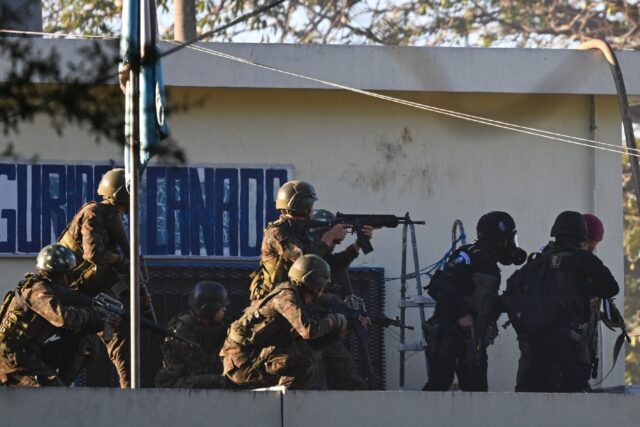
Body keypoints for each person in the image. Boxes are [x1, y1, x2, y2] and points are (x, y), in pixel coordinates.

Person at [512, 211, 619, 392]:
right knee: (571, 405)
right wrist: (586, 290)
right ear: (582, 235)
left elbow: (512, 292)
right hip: (569, 349)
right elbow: (611, 288)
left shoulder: (537, 261)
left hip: (535, 348)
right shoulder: (583, 259)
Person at [423, 211, 526, 392]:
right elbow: (441, 287)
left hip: (473, 340)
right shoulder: (469, 255)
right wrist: (462, 314)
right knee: (438, 386)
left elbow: (484, 303)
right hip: (448, 334)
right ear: (499, 239)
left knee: (477, 393)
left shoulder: (490, 266)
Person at [57, 168, 138, 388]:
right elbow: (93, 255)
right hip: (74, 290)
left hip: (88, 290)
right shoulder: (94, 213)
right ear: (124, 194)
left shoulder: (110, 217)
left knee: (105, 341)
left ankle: (129, 388)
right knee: (84, 348)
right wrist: (119, 259)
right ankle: (54, 388)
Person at [221, 254, 348, 389]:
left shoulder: (297, 300)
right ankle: (282, 404)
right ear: (316, 286)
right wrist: (335, 320)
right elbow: (309, 331)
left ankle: (284, 400)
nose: (321, 293)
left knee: (304, 361)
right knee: (301, 365)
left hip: (252, 359)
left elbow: (312, 344)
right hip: (241, 364)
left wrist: (336, 334)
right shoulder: (286, 297)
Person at [0, 245, 105, 387]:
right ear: (62, 275)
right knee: (48, 392)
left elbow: (71, 331)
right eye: (70, 275)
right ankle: (53, 385)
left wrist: (99, 323)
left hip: (29, 353)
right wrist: (91, 315)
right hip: (9, 357)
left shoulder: (52, 293)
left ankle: (60, 385)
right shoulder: (36, 290)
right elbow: (63, 318)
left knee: (85, 341)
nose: (71, 281)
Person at [249, 180, 349, 301]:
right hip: (276, 300)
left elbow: (328, 262)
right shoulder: (276, 233)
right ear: (305, 207)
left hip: (298, 295)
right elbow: (306, 261)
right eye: (311, 205)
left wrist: (356, 246)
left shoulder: (301, 230)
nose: (313, 209)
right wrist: (330, 236)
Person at [154, 281, 229, 389]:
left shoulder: (218, 326)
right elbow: (203, 366)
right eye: (221, 307)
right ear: (208, 308)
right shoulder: (182, 329)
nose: (224, 310)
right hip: (174, 383)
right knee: (221, 381)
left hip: (193, 378)